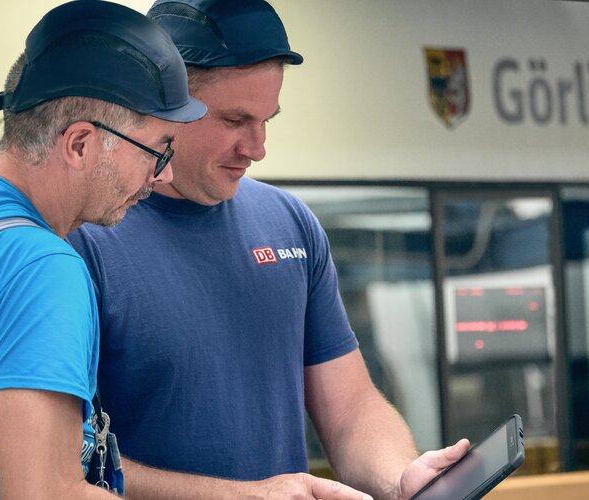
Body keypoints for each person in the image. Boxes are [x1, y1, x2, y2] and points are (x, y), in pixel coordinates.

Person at [66, 1, 470, 499]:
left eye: (267, 120)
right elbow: (63, 463)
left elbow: (349, 408)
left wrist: (400, 477)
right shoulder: (84, 236)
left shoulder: (290, 225)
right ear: (166, 103)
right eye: (235, 120)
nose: (257, 148)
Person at [0, 1, 205, 498]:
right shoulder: (43, 269)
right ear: (80, 144)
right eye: (158, 150)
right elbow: (45, 494)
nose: (165, 174)